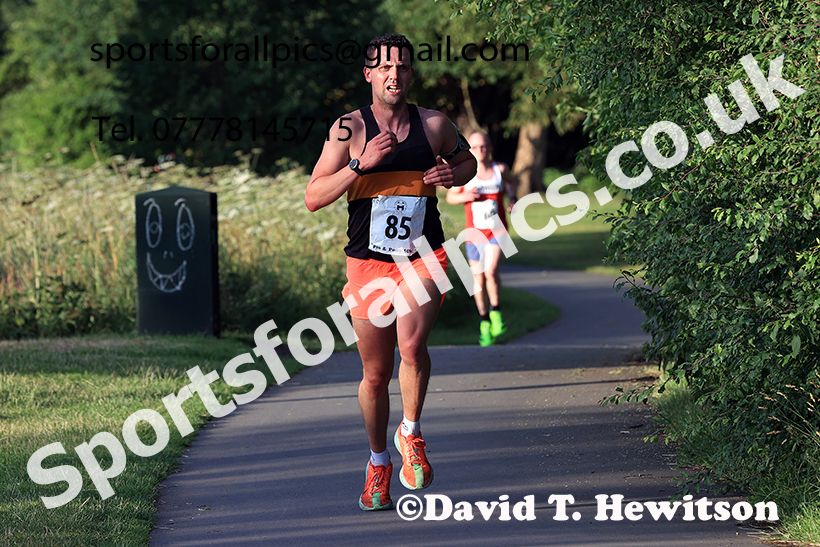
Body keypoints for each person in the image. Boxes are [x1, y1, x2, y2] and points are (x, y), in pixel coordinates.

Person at [305, 34, 477, 511]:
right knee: (375, 374)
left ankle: (412, 433)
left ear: (411, 73)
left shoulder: (435, 124)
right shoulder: (348, 128)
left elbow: (468, 161)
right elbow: (314, 196)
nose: (393, 74)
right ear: (368, 74)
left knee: (412, 346)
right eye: (383, 67)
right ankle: (379, 461)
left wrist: (453, 174)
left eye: (401, 66)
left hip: (425, 256)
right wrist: (361, 164)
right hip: (367, 264)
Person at [445, 132, 518, 346]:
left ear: (490, 148)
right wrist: (464, 196)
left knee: (491, 270)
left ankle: (496, 312)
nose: (480, 151)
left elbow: (512, 182)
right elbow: (450, 196)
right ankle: (484, 321)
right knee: (478, 280)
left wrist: (512, 198)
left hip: (497, 230)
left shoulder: (500, 170)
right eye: (475, 147)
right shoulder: (466, 173)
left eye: (484, 146)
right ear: (470, 150)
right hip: (474, 234)